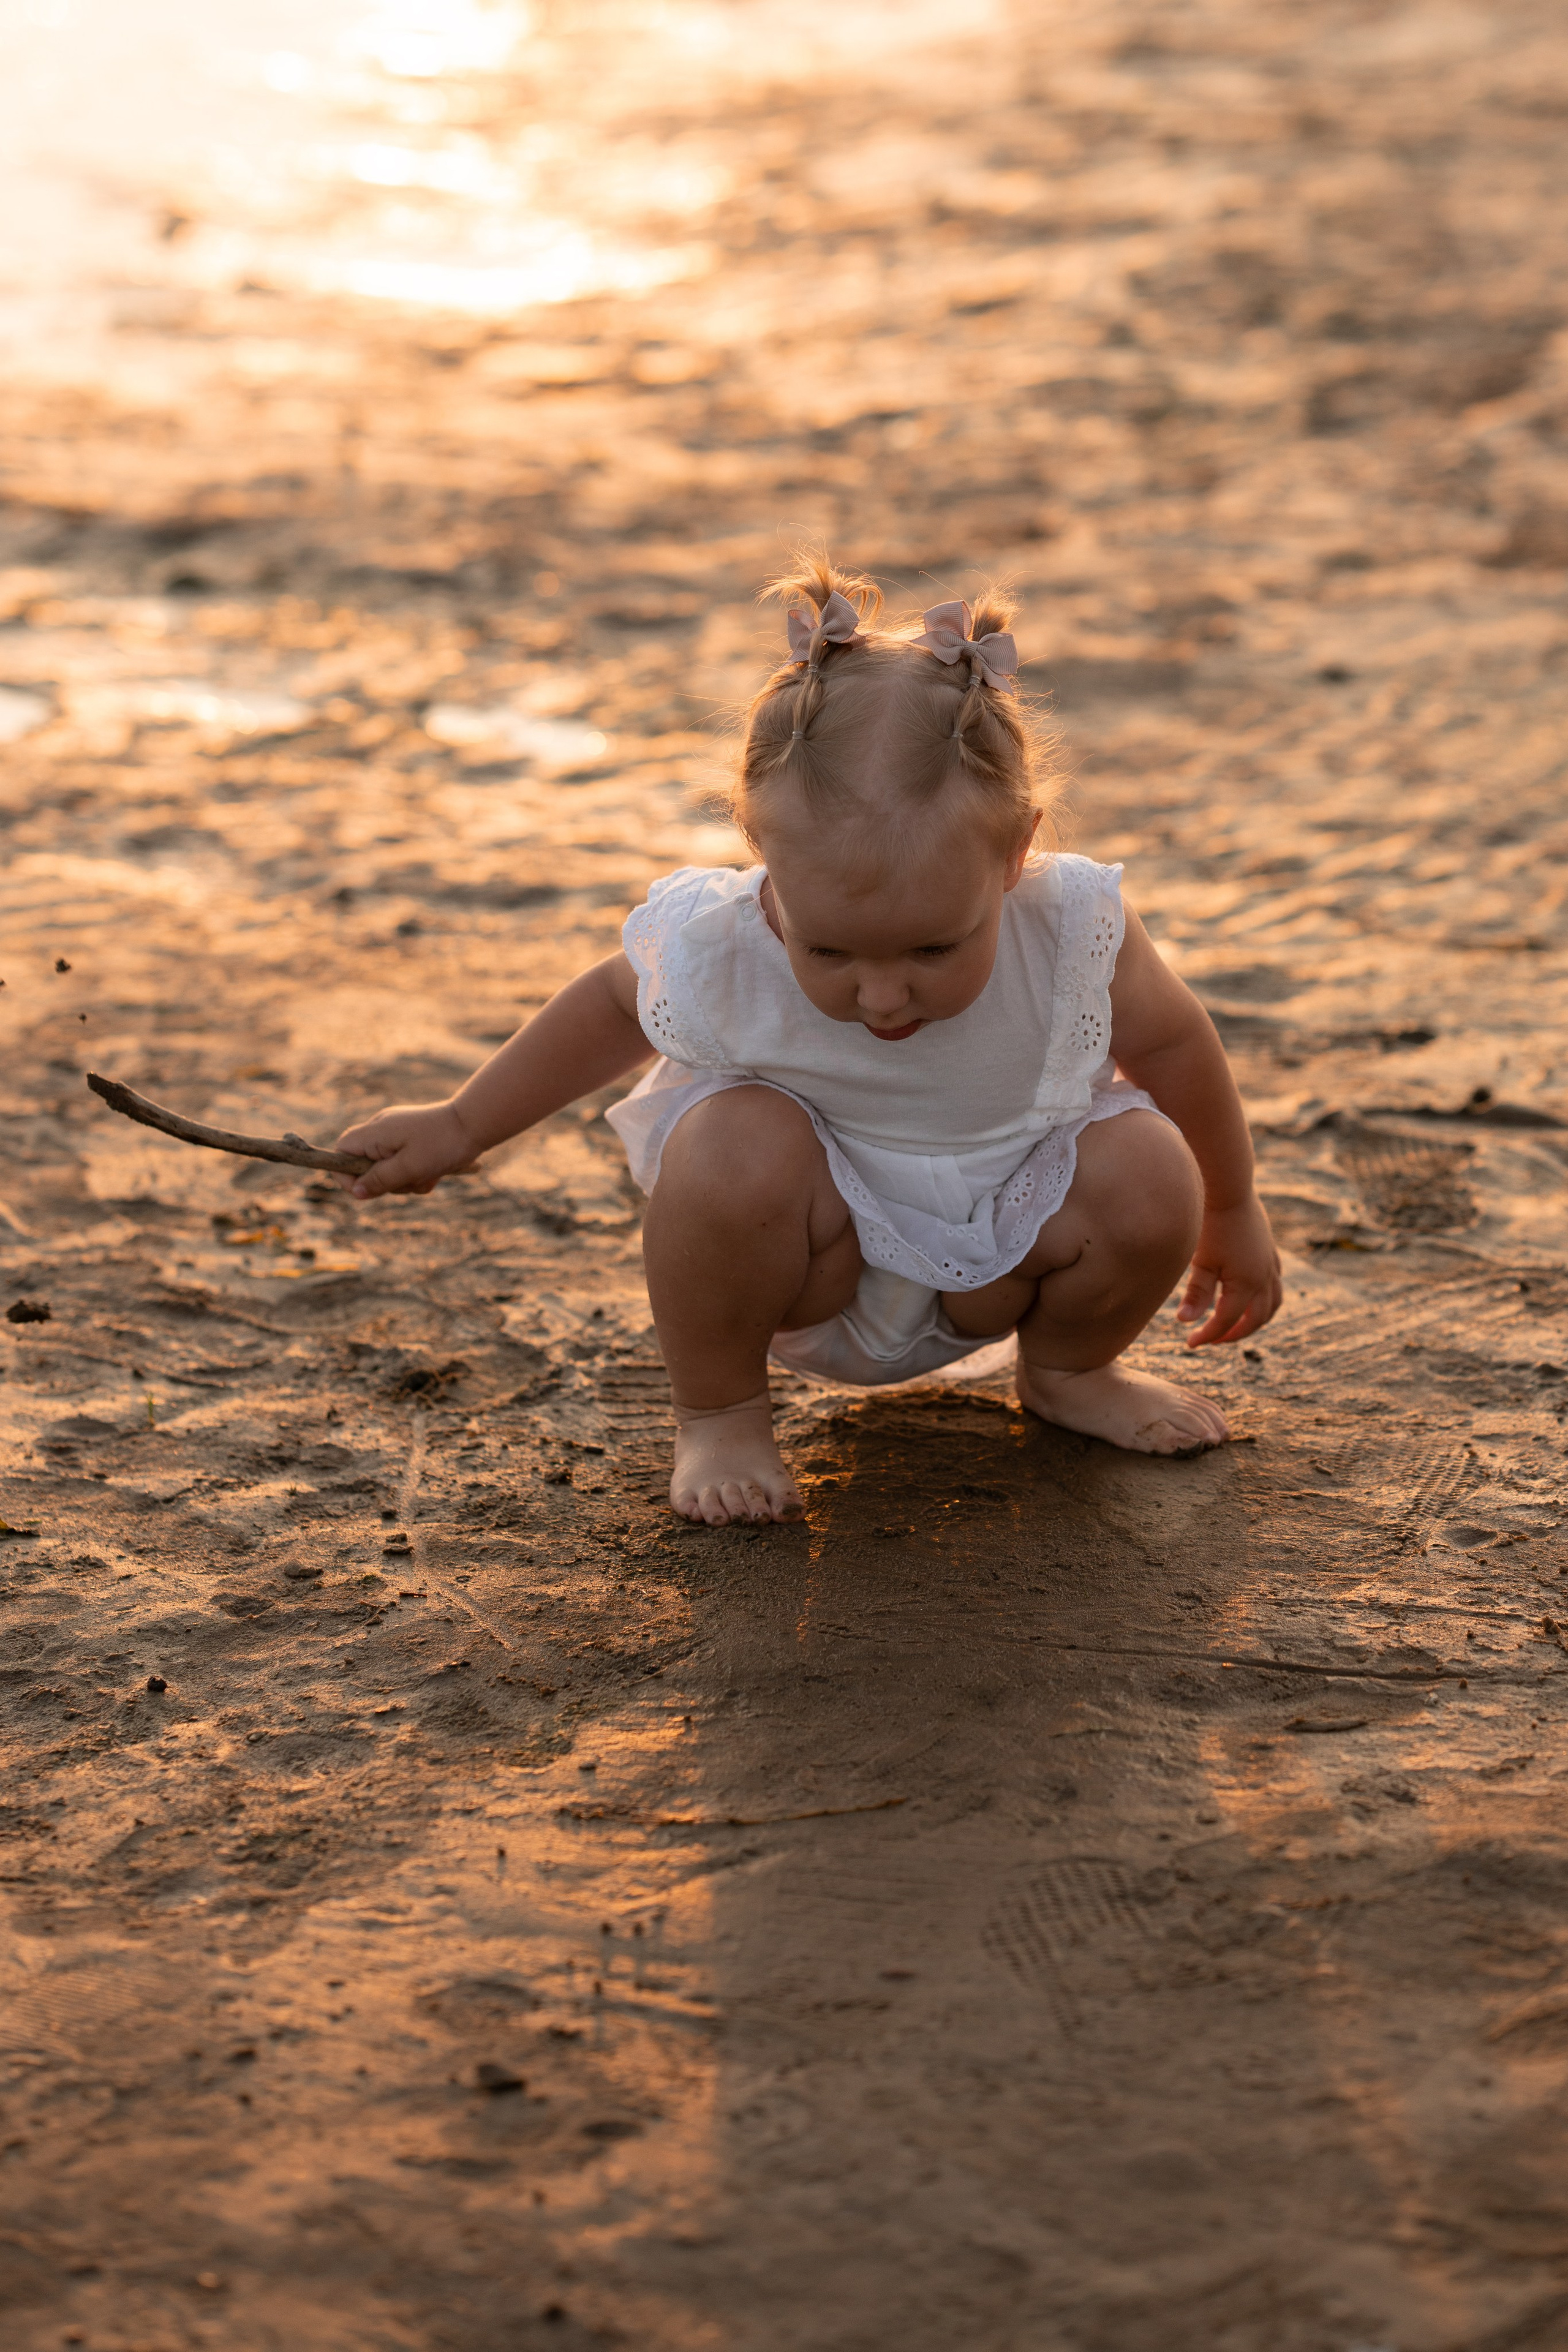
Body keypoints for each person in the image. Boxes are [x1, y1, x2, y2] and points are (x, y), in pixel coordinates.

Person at [338, 559, 1282, 1526]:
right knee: (729, 1139)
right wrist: (462, 1124)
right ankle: (721, 1413)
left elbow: (1175, 1047)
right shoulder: (722, 944)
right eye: (828, 949)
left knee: (1151, 1165)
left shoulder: (1069, 926)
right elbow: (611, 1008)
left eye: (933, 948)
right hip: (813, 1271)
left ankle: (1071, 1372)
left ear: (1015, 852)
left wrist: (1232, 1207)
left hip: (1007, 1257)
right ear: (762, 851)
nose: (881, 995)